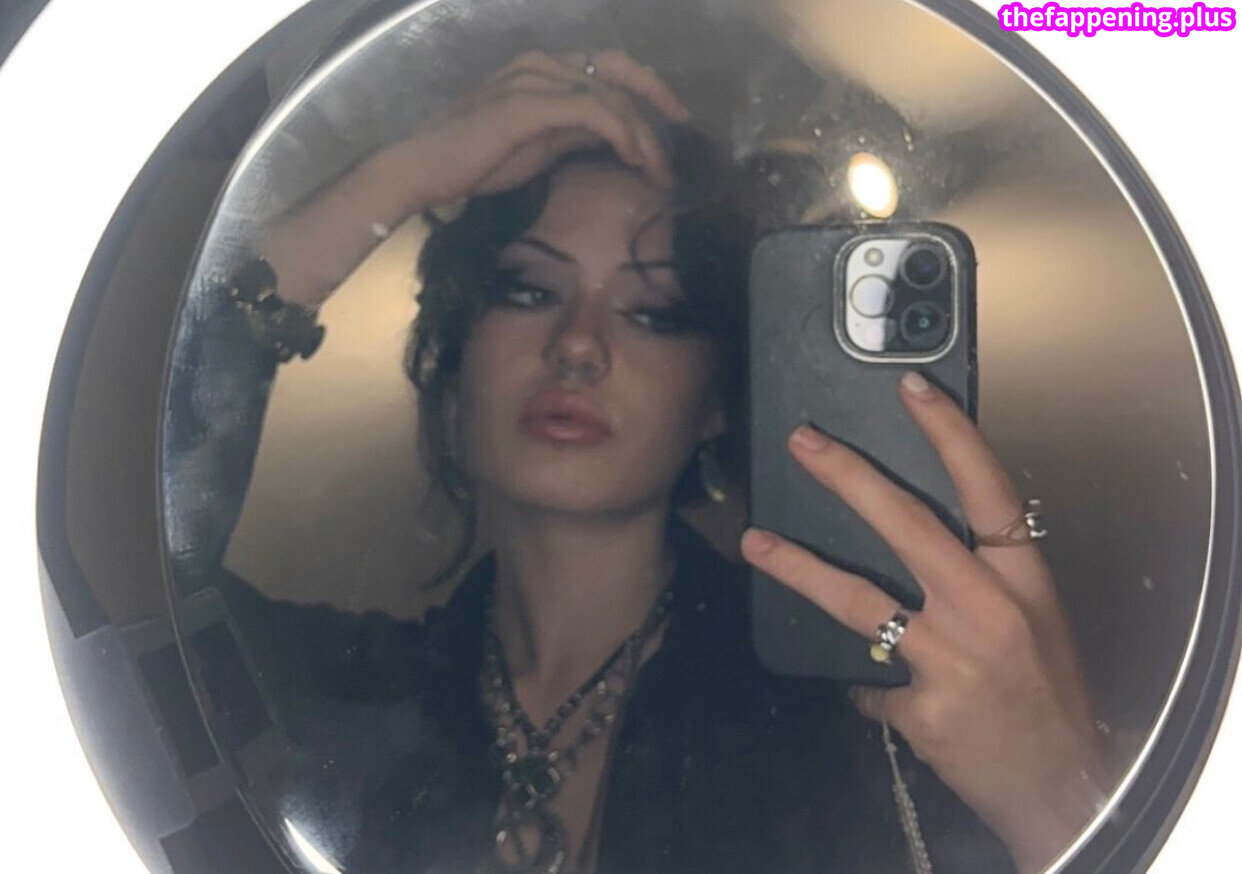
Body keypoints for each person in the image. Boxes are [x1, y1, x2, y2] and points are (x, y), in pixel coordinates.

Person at [200, 49, 1111, 874]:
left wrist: (1055, 794)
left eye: (653, 312)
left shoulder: (855, 722)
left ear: (716, 397)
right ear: (455, 356)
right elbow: (140, 571)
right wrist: (394, 175)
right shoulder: (338, 698)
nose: (578, 345)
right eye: (528, 289)